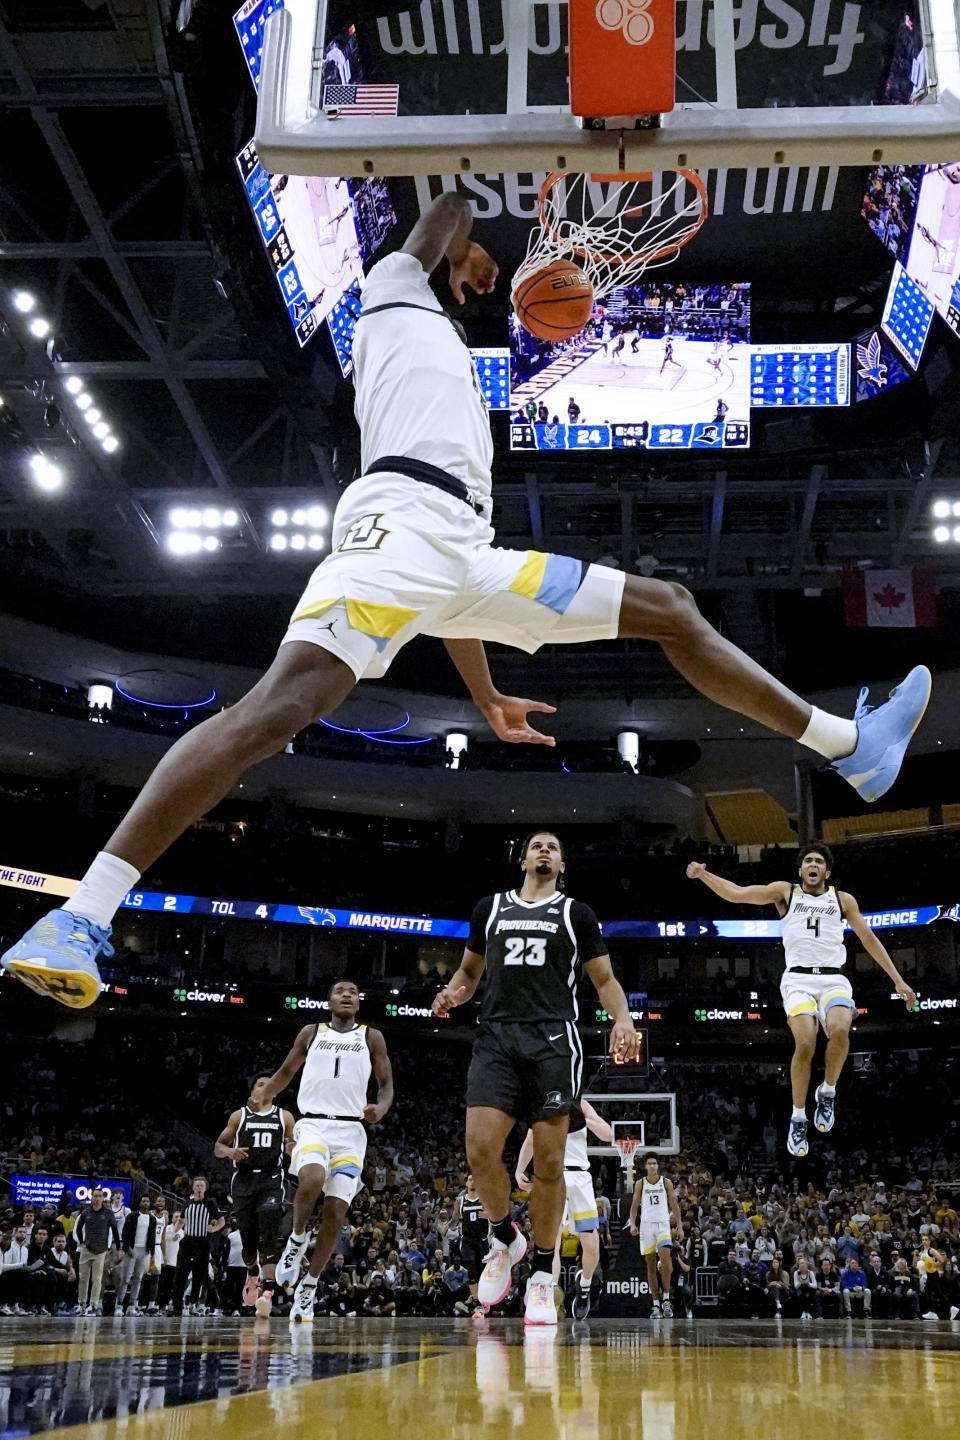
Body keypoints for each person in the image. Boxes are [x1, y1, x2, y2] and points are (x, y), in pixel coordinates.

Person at [2, 194, 931, 1010]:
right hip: (396, 527)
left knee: (672, 607)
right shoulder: (391, 299)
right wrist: (461, 247)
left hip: (465, 558)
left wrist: (483, 694)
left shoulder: (436, 340)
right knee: (274, 710)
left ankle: (850, 747)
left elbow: (443, 598)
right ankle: (80, 916)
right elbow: (446, 201)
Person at [432, 830, 637, 1327]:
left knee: (550, 1162)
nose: (544, 850)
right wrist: (453, 994)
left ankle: (543, 1276)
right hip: (497, 1037)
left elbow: (603, 979)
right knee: (480, 1149)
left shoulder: (575, 914)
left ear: (562, 864)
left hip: (552, 1041)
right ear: (522, 858)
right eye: (536, 845)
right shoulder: (491, 907)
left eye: (553, 847)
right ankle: (505, 1237)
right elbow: (469, 971)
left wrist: (623, 1019)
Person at [687, 844, 918, 1157]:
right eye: (808, 860)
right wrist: (703, 875)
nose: (813, 864)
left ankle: (828, 1091)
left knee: (839, 1029)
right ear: (800, 870)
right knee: (806, 1042)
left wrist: (898, 979)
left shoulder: (842, 899)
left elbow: (868, 938)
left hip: (833, 978)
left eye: (819, 861)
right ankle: (798, 1116)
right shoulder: (786, 892)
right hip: (797, 979)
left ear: (827, 872)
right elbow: (738, 893)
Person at [260, 978, 393, 1324]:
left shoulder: (371, 1036)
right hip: (314, 1123)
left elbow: (386, 1084)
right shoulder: (311, 1032)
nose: (347, 995)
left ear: (359, 1003)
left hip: (351, 1131)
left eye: (353, 991)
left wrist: (381, 1106)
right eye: (340, 991)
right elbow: (287, 1070)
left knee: (336, 1210)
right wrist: (266, 1094)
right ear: (329, 1001)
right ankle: (297, 1239)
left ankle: (310, 1285)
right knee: (313, 1177)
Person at [515, 1097, 612, 1320]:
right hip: (552, 1176)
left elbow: (608, 1134)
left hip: (580, 1177)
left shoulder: (580, 1102)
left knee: (591, 1244)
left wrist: (585, 1119)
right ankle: (548, 1291)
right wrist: (520, 1168)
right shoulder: (543, 1099)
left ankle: (585, 1286)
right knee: (552, 1239)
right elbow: (531, 1138)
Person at [214, 1073, 295, 1319]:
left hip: (271, 1178)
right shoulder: (239, 1116)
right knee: (248, 1239)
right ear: (252, 1091)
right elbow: (218, 1147)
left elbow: (294, 1146)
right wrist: (230, 1151)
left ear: (276, 1091)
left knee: (270, 1226)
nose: (265, 1087)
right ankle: (252, 1272)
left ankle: (268, 1291)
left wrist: (293, 1148)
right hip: (244, 1180)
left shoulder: (285, 1116)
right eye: (260, 1083)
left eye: (269, 1084)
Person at [628, 1153, 684, 1318]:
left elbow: (674, 1204)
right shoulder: (640, 1183)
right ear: (645, 1167)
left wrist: (679, 1226)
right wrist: (632, 1223)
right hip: (646, 1226)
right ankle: (655, 1305)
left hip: (662, 1225)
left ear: (658, 1166)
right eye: (649, 1163)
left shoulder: (666, 1182)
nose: (652, 1166)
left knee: (665, 1261)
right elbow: (634, 1205)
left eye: (654, 1163)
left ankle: (666, 1299)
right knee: (651, 1266)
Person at [171, 1176, 219, 1317]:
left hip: (203, 1242)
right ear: (193, 1188)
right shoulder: (186, 1204)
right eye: (197, 1185)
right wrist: (175, 1231)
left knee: (199, 1276)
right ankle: (177, 1307)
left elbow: (221, 1221)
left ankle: (194, 1305)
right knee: (180, 1274)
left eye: (201, 1186)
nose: (199, 1188)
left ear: (205, 1188)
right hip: (187, 1241)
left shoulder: (210, 1203)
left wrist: (213, 1229)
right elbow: (182, 1220)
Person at [74, 1187, 121, 1316]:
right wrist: (81, 1242)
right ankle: (81, 1304)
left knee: (97, 1278)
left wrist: (118, 1248)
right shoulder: (86, 1212)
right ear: (91, 1197)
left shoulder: (108, 1213)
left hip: (101, 1250)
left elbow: (115, 1231)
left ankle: (93, 1304)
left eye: (100, 1196)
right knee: (83, 1278)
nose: (97, 1198)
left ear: (103, 1198)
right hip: (87, 1249)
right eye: (95, 1195)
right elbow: (78, 1228)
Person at [117, 1195, 159, 1315]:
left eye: (148, 1201)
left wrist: (151, 1254)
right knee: (126, 1278)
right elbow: (124, 1234)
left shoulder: (152, 1219)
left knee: (138, 1278)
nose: (146, 1203)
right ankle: (119, 1305)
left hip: (144, 1251)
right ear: (140, 1203)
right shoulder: (132, 1216)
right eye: (143, 1201)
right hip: (132, 1250)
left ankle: (131, 1306)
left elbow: (152, 1237)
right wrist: (128, 1249)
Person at [450, 1175, 486, 1288]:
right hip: (468, 1239)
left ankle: (483, 1299)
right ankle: (472, 1295)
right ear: (466, 1183)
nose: (473, 1182)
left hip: (482, 1239)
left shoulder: (485, 1198)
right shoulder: (460, 1200)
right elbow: (454, 1220)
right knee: (470, 1268)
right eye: (470, 1180)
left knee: (482, 1271)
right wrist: (446, 1227)